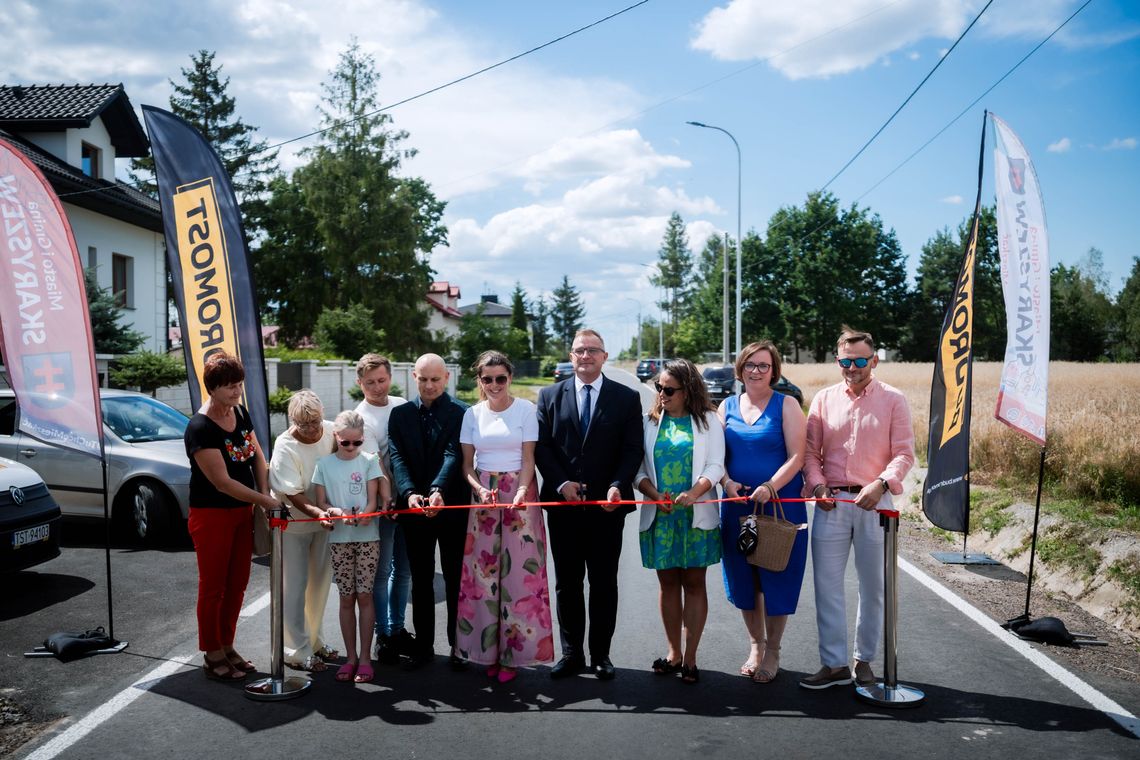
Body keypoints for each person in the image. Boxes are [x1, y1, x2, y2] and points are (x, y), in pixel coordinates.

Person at [799, 327, 915, 690]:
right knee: (827, 586)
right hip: (830, 504)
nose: (852, 367)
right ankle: (833, 664)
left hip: (874, 503)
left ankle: (863, 660)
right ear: (838, 361)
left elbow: (904, 454)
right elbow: (810, 455)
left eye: (860, 360)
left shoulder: (894, 400)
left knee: (874, 587)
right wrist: (817, 485)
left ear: (874, 360)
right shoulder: (823, 400)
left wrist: (880, 483)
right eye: (846, 361)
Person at [535, 329, 643, 680]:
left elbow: (631, 450)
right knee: (567, 583)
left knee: (603, 582)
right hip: (563, 508)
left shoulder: (625, 398)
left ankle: (601, 655)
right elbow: (543, 448)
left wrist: (617, 485)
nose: (586, 356)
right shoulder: (549, 395)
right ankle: (571, 653)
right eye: (580, 350)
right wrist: (561, 483)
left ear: (604, 356)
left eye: (592, 350)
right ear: (571, 356)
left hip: (606, 510)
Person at [455, 351, 553, 683]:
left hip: (520, 490)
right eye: (487, 379)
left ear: (509, 378)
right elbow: (468, 465)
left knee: (519, 577)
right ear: (479, 381)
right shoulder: (472, 414)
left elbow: (529, 458)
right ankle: (487, 652)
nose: (494, 385)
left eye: (501, 378)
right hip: (484, 492)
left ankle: (514, 656)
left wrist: (523, 490)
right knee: (483, 576)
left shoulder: (526, 410)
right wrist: (479, 489)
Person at [183, 352, 278, 682]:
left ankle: (227, 643)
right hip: (211, 516)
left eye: (239, 384)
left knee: (237, 585)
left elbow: (257, 455)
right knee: (213, 587)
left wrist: (262, 497)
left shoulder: (240, 412)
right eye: (229, 387)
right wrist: (264, 499)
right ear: (212, 388)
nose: (237, 391)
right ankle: (211, 653)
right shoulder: (200, 427)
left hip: (242, 512)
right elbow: (222, 483)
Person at [718, 341, 808, 685]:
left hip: (780, 504)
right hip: (738, 505)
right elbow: (717, 459)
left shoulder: (787, 405)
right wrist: (726, 483)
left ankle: (774, 651)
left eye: (764, 366)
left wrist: (770, 485)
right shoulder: (725, 407)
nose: (756, 371)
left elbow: (797, 456)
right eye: (750, 365)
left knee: (776, 576)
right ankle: (756, 645)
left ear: (775, 370)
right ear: (740, 368)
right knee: (744, 578)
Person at [635, 359, 724, 685]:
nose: (661, 394)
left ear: (688, 391)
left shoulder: (708, 422)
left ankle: (691, 657)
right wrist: (653, 493)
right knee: (668, 584)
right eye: (658, 387)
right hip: (662, 515)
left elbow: (716, 466)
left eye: (669, 389)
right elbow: (639, 470)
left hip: (695, 514)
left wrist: (694, 491)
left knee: (694, 584)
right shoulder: (649, 422)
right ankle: (673, 653)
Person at [388, 353, 470, 669]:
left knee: (453, 579)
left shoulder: (462, 412)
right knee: (420, 580)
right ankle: (423, 647)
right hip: (413, 509)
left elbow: (454, 455)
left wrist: (437, 491)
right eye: (423, 378)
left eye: (435, 379)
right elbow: (397, 459)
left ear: (446, 378)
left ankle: (458, 646)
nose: (429, 385)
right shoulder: (400, 415)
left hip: (450, 507)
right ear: (414, 378)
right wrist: (409, 493)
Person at [312, 410, 387, 684]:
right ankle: (351, 657)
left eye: (357, 442)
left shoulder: (369, 461)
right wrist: (333, 510)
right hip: (339, 540)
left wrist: (364, 514)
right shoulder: (323, 464)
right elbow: (320, 502)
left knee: (365, 596)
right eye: (346, 443)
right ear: (337, 437)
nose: (352, 448)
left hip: (367, 538)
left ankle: (365, 658)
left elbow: (372, 499)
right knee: (346, 598)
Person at [268, 390, 338, 672]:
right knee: (294, 588)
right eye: (303, 424)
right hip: (295, 525)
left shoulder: (332, 430)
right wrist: (319, 512)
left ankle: (315, 641)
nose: (311, 429)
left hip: (324, 524)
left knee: (320, 585)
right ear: (292, 420)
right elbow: (294, 493)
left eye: (316, 422)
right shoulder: (285, 445)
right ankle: (295, 650)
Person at [353, 353, 414, 664]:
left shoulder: (403, 405)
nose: (377, 387)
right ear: (359, 383)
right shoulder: (360, 418)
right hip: (383, 502)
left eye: (381, 380)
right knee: (382, 571)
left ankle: (398, 628)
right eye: (370, 383)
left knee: (404, 571)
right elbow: (376, 465)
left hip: (408, 499)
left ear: (390, 377)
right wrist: (390, 498)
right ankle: (383, 634)